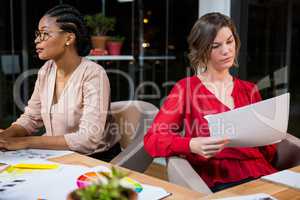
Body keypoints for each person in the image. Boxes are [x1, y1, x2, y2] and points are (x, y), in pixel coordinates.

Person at [144, 12, 277, 192]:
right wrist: (192, 145)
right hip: (220, 180)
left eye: (230, 42)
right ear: (202, 50)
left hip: (264, 175)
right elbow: (153, 139)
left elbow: (268, 150)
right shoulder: (186, 89)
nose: (226, 50)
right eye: (216, 46)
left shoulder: (249, 89)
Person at [0, 4, 121, 162]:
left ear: (69, 38)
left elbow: (88, 139)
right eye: (38, 34)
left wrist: (25, 142)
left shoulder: (94, 74)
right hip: (59, 154)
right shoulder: (46, 70)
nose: (37, 40)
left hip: (96, 160)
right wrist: (5, 136)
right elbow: (31, 118)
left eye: (44, 34)